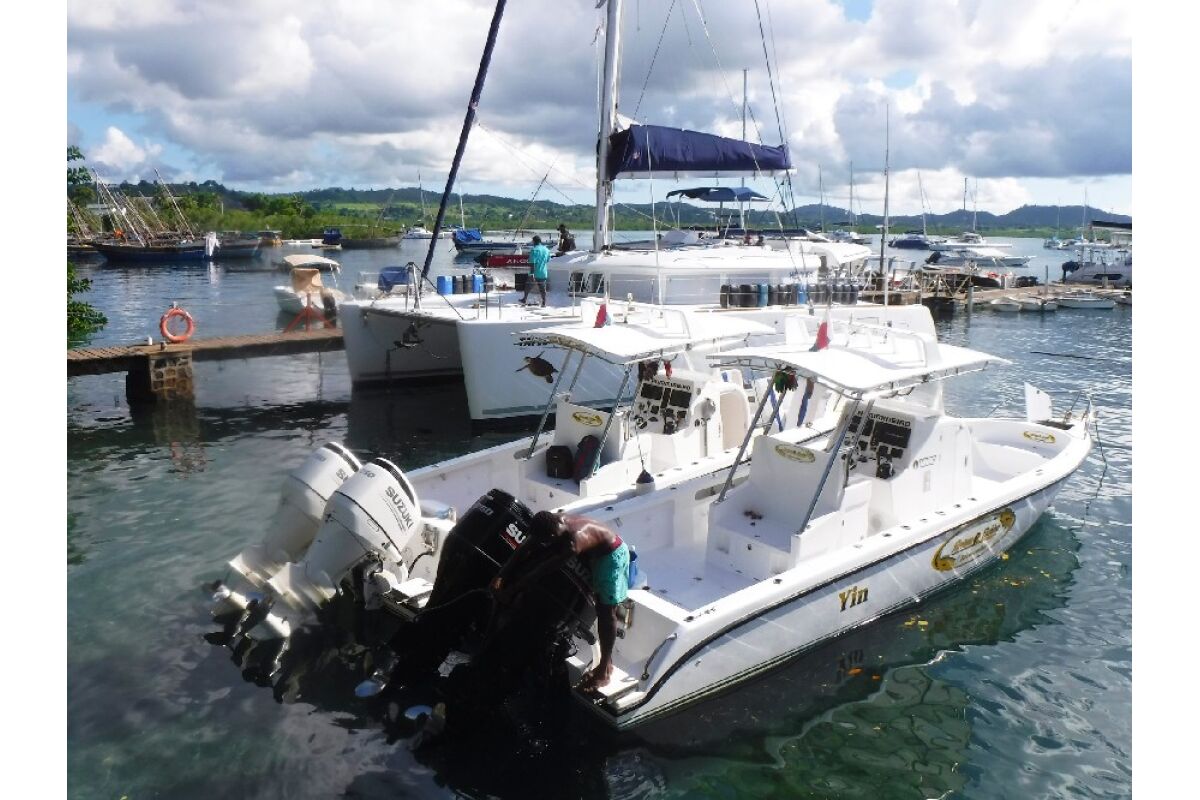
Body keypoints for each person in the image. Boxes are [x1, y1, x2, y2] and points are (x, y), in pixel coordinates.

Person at [491, 510, 630, 690]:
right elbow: (526, 547)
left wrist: (511, 590)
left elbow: (541, 571)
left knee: (605, 611)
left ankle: (603, 669)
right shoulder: (550, 522)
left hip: (609, 556)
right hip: (589, 545)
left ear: (551, 536)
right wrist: (501, 575)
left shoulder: (573, 543)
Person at [522, 235, 551, 306]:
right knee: (542, 288)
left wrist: (532, 274)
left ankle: (524, 299)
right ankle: (544, 302)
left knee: (528, 286)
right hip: (543, 272)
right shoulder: (546, 250)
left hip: (534, 272)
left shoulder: (534, 250)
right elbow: (548, 260)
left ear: (534, 241)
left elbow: (532, 263)